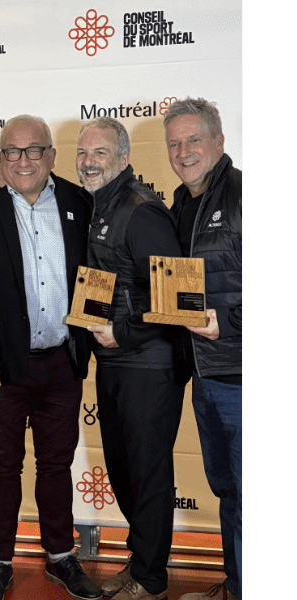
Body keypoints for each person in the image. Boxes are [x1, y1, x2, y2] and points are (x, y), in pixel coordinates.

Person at [0, 116, 101, 600]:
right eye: (13, 151)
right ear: (0, 157)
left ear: (52, 155)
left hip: (61, 360)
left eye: (35, 151)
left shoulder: (79, 202)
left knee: (56, 464)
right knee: (3, 465)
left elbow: (96, 274)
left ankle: (60, 557)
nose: (24, 161)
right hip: (0, 366)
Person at [76, 117, 183, 600]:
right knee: (124, 469)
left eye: (99, 153)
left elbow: (177, 300)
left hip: (148, 365)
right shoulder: (100, 206)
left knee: (148, 472)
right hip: (115, 362)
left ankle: (153, 579)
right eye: (83, 153)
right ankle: (141, 563)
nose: (89, 161)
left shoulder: (142, 211)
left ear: (123, 158)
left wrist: (121, 332)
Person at [162, 98, 242, 600]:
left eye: (194, 140)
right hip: (206, 374)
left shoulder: (244, 194)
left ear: (218, 141)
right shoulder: (183, 201)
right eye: (175, 143)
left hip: (247, 374)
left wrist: (231, 323)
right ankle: (237, 586)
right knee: (230, 492)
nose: (184, 151)